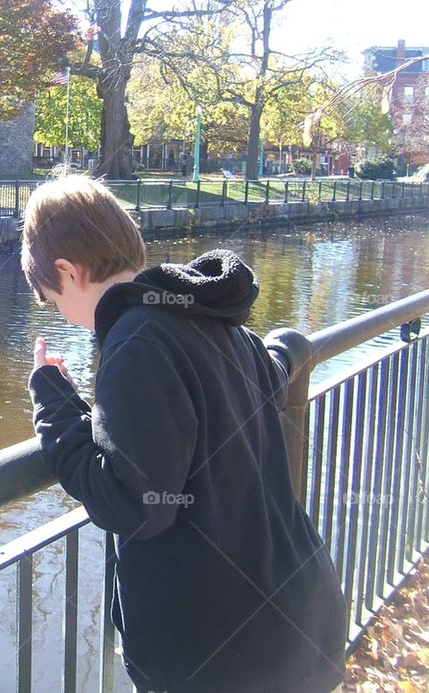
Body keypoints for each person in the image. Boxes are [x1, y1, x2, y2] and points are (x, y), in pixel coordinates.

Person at [22, 175, 348, 693]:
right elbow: (267, 375)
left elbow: (134, 505)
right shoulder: (210, 317)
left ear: (68, 271)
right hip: (300, 618)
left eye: (51, 299)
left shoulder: (136, 341)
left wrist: (55, 404)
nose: (65, 316)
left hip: (223, 659)